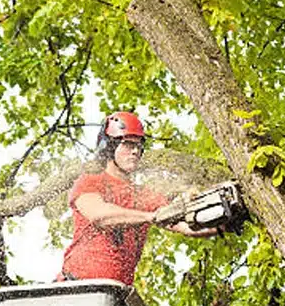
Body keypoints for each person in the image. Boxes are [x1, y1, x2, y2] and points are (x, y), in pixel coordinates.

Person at [58, 111, 219, 285]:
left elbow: (186, 226)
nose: (135, 151)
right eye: (128, 144)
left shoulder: (144, 196)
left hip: (117, 292)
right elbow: (99, 215)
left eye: (138, 146)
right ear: (109, 147)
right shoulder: (91, 180)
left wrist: (220, 222)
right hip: (77, 286)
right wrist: (148, 216)